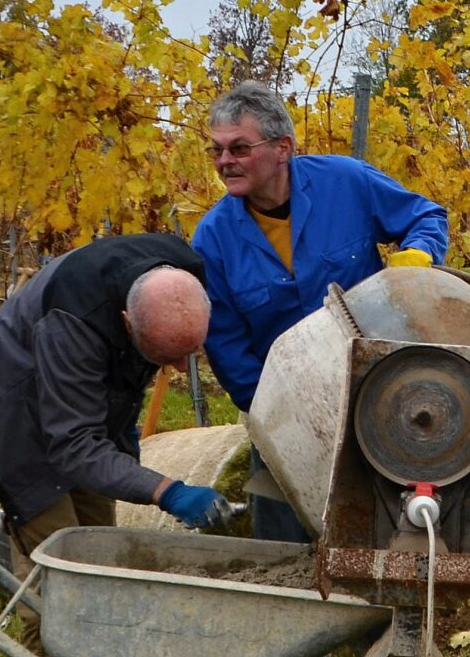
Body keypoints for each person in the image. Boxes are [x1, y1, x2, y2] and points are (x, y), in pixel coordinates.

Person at [0, 234, 233, 657]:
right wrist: (167, 491)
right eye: (166, 358)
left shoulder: (181, 269)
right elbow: (72, 447)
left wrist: (122, 429)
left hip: (82, 406)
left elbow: (97, 419)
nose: (179, 368)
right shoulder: (71, 324)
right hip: (18, 418)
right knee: (58, 593)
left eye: (187, 355)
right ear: (127, 321)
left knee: (101, 574)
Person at [190, 80, 449, 538]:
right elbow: (227, 346)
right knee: (282, 539)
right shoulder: (213, 239)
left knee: (386, 526)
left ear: (283, 148)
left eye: (239, 148)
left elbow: (425, 216)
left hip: (377, 393)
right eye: (217, 151)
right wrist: (279, 422)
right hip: (284, 419)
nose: (224, 162)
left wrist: (420, 255)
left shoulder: (346, 182)